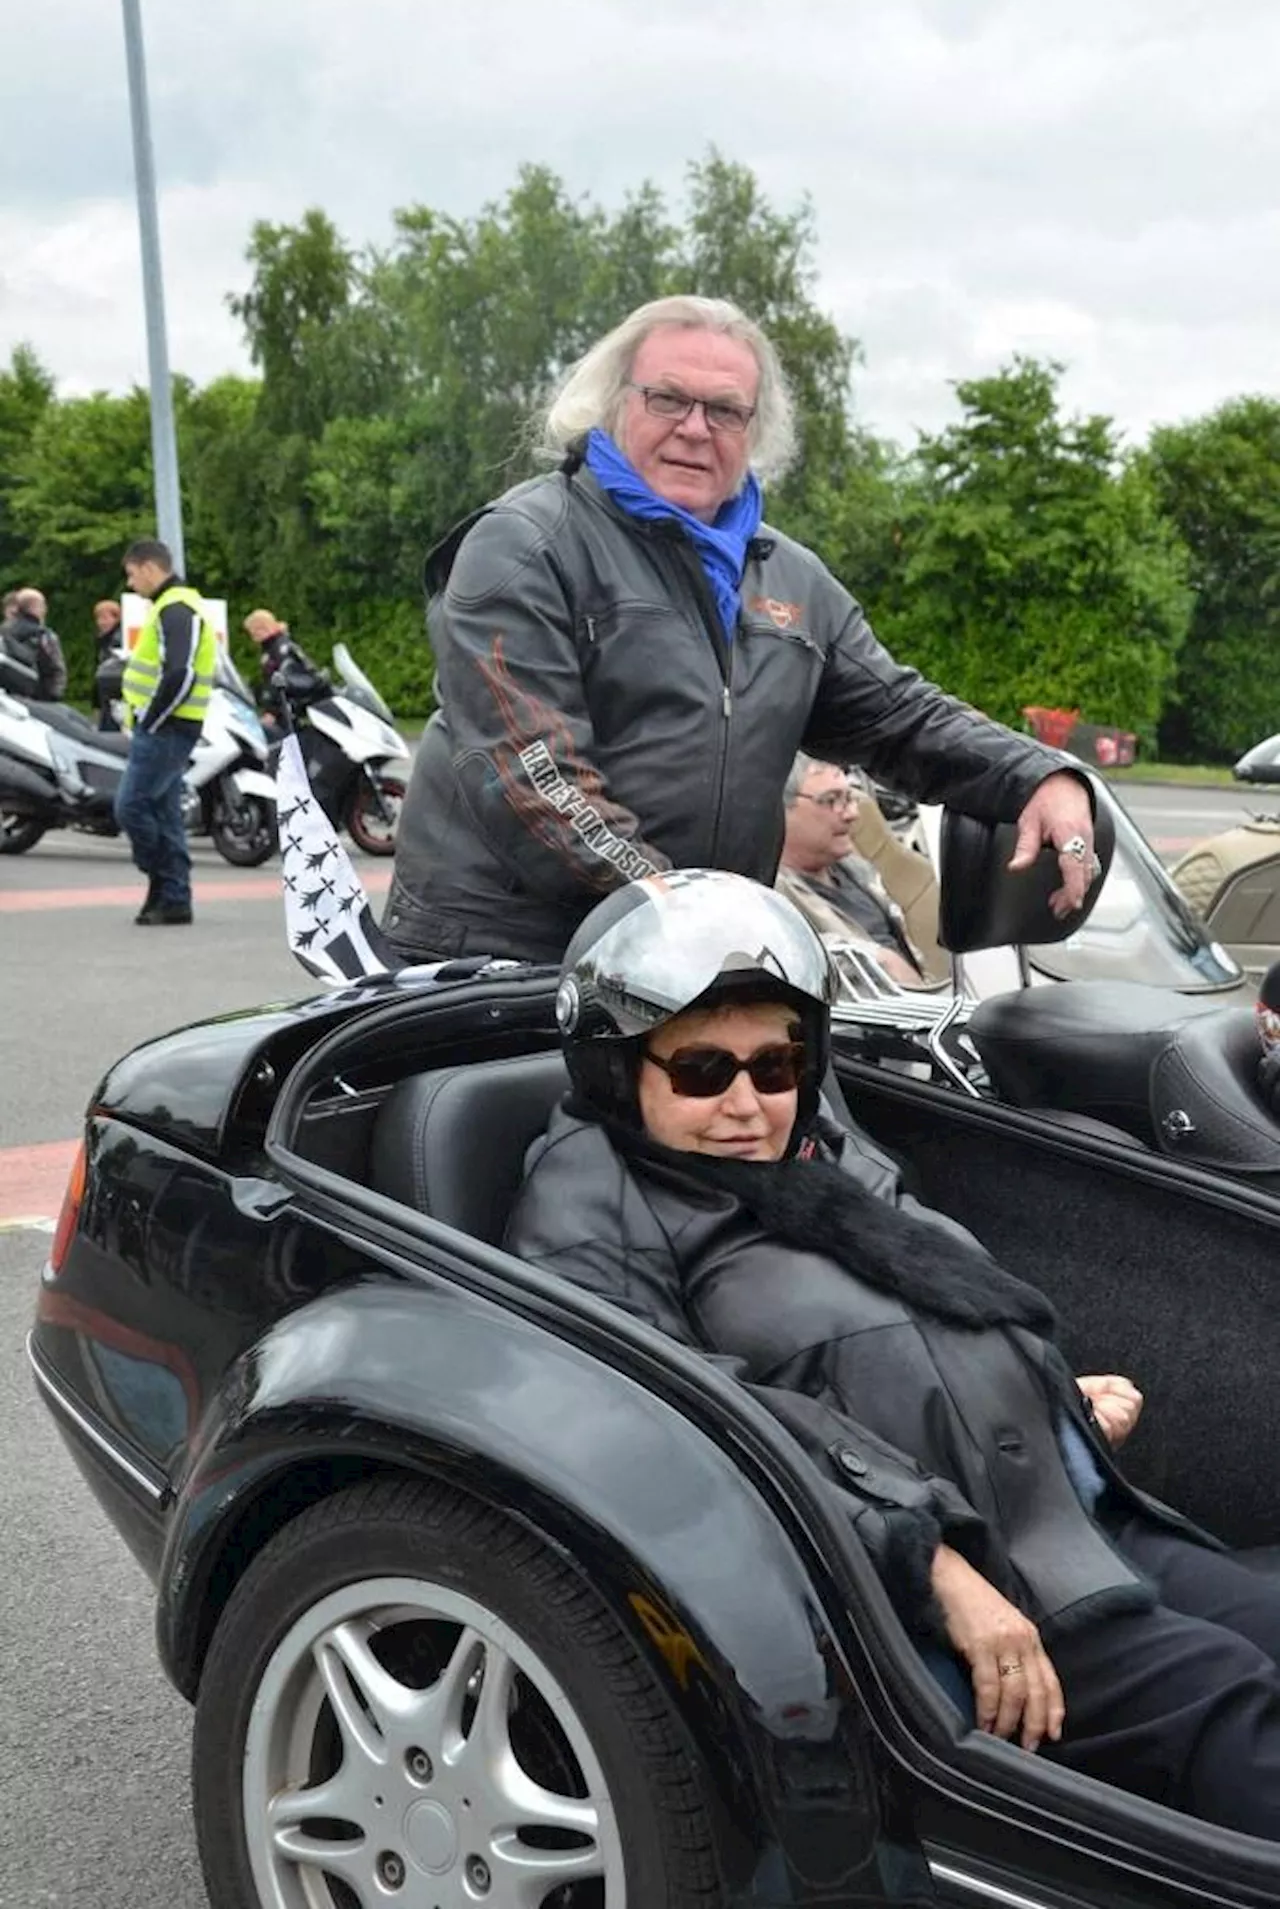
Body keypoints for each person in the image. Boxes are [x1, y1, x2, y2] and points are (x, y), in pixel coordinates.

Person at [507, 868, 1280, 1839]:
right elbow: (694, 1422)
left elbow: (899, 1335)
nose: (747, 1101)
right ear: (621, 1073)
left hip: (1066, 1522)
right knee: (1229, 1706)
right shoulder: (596, 1202)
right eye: (703, 1070)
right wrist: (939, 1569)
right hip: (946, 1576)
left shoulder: (818, 1164)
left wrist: (1042, 1396)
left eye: (776, 1065)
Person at [384, 293, 1096, 967]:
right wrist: (687, 915)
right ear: (613, 405)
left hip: (689, 963)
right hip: (506, 960)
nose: (695, 428)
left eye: (725, 410)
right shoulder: (525, 547)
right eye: (668, 398)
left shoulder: (789, 578)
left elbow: (901, 716)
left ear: (753, 432)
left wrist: (1041, 775)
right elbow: (535, 780)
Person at [115, 538, 217, 926]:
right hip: (168, 726)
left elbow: (181, 672)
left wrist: (152, 720)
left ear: (148, 567)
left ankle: (163, 881)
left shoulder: (177, 607)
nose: (130, 583)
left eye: (131, 574)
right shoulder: (171, 607)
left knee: (131, 806)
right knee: (163, 811)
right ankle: (173, 898)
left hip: (167, 728)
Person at [777, 753, 926, 985]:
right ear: (779, 809)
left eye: (849, 798)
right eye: (831, 800)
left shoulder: (854, 869)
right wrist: (875, 959)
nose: (852, 814)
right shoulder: (769, 896)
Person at [242, 608, 330, 729]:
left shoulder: (278, 650)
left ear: (263, 628)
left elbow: (282, 681)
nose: (253, 637)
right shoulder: (278, 646)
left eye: (254, 632)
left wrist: (273, 712)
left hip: (293, 713)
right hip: (292, 709)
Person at [0, 586, 67, 700]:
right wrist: (55, 694)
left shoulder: (3, 632)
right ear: (36, 607)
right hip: (40, 698)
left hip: (8, 698)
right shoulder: (44, 635)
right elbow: (56, 667)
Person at [93, 598, 124, 730]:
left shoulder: (117, 641)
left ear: (116, 618)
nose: (101, 623)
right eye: (98, 618)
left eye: (105, 618)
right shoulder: (103, 641)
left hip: (113, 698)